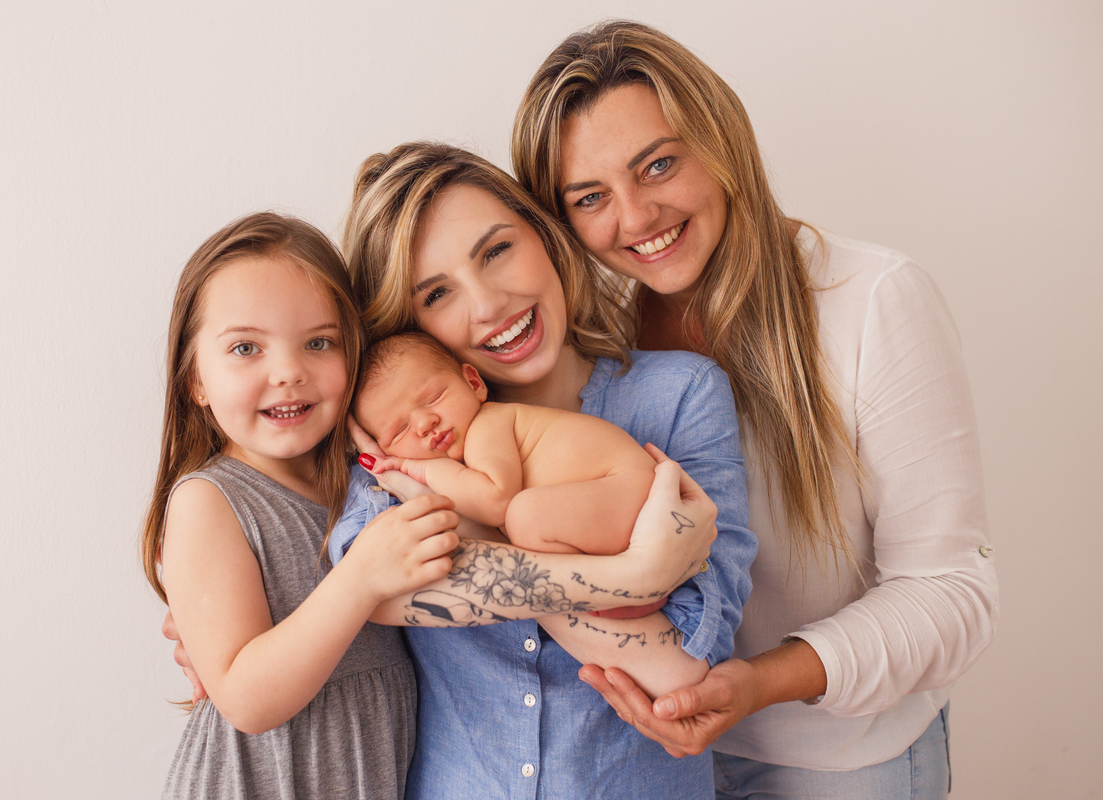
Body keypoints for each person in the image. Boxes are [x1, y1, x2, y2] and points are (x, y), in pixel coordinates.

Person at [511, 20, 999, 798]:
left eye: (659, 164)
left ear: (722, 139)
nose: (635, 218)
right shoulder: (592, 350)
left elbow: (952, 593)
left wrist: (758, 683)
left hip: (844, 763)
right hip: (659, 764)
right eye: (591, 197)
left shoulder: (873, 301)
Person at [330, 140, 756, 798]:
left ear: (546, 236)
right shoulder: (404, 435)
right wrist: (632, 575)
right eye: (437, 293)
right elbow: (369, 590)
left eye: (497, 250)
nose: (487, 304)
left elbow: (681, 668)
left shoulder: (678, 395)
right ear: (407, 324)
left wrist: (477, 541)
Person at [140, 212, 464, 799]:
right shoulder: (209, 501)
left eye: (319, 342)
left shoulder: (363, 482)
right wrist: (360, 577)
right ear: (197, 381)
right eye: (245, 348)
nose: (288, 372)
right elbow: (245, 699)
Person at [353, 329, 666, 619]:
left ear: (474, 384)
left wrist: (424, 468)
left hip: (629, 490)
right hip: (619, 501)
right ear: (386, 452)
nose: (424, 423)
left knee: (523, 516)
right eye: (400, 430)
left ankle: (614, 587)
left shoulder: (487, 425)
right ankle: (620, 588)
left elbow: (495, 501)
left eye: (434, 398)